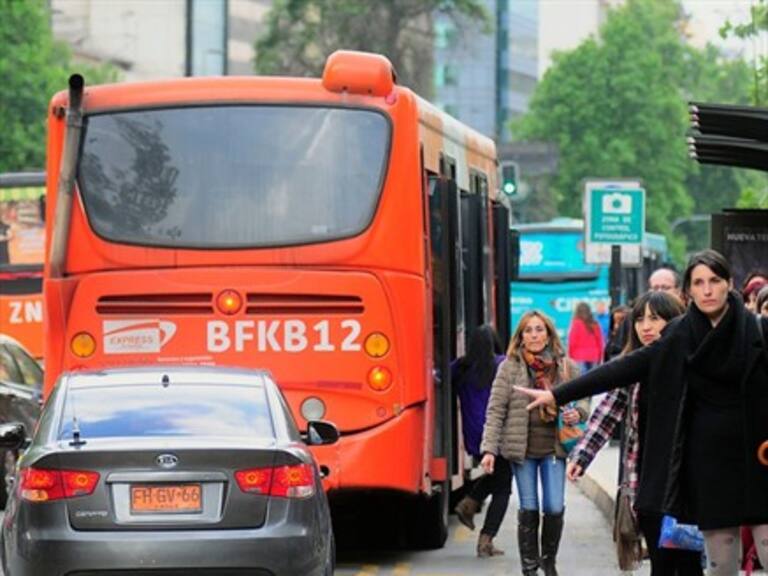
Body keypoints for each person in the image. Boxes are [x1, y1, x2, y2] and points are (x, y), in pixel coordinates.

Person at [516, 250, 768, 576]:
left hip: (758, 459)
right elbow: (623, 369)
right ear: (688, 291)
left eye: (714, 281)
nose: (707, 290)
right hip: (706, 467)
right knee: (721, 566)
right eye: (698, 283)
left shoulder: (757, 331)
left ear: (729, 284)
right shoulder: (679, 335)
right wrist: (557, 393)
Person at [568, 291, 703, 575]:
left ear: (674, 321)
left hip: (687, 485)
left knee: (689, 565)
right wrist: (581, 456)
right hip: (647, 486)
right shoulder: (633, 366)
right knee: (661, 565)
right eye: (640, 319)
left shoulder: (692, 363)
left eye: (655, 318)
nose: (646, 326)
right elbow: (607, 413)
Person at [480, 310, 589, 576]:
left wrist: (579, 413)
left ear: (549, 334)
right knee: (528, 506)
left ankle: (548, 562)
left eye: (539, 329)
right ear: (521, 337)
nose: (534, 335)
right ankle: (529, 569)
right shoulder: (509, 367)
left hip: (554, 449)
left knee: (553, 506)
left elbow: (584, 398)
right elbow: (496, 410)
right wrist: (489, 449)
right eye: (528, 330)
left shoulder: (566, 367)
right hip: (523, 451)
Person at [452, 325, 511, 558]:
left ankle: (469, 503)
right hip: (497, 434)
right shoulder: (502, 364)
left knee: (496, 476)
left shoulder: (460, 367)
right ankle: (486, 539)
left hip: (474, 436)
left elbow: (437, 376)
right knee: (503, 488)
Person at [567, 302, 604, 372]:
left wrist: (570, 356)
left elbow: (572, 342)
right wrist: (600, 357)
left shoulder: (576, 323)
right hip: (594, 355)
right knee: (593, 377)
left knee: (581, 378)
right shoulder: (595, 324)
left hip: (578, 356)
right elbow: (600, 342)